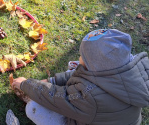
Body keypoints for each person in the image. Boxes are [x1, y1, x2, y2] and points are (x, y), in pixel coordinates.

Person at [12, 29, 149, 125]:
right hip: (102, 116)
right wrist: (51, 80)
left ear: (95, 66)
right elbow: (80, 74)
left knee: (33, 108)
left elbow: (57, 97)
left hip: (88, 113)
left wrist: (26, 84)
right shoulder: (122, 68)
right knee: (75, 69)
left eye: (83, 57)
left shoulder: (90, 96)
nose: (79, 57)